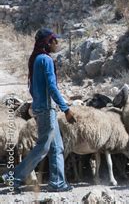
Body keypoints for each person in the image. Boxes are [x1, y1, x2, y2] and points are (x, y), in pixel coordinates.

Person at [1, 28, 75, 193]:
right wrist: (66, 108)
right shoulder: (46, 60)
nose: (57, 43)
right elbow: (52, 86)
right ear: (48, 42)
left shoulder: (36, 59)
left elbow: (33, 88)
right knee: (42, 147)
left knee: (57, 147)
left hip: (42, 108)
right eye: (55, 40)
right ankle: (12, 178)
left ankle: (57, 182)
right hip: (48, 109)